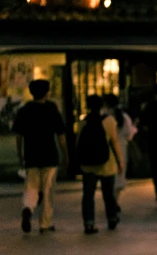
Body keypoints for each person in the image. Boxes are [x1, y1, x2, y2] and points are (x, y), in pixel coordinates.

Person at [12, 79, 68, 234]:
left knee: (31, 187)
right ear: (47, 92)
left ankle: (28, 208)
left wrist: (20, 155)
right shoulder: (51, 109)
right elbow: (61, 135)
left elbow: (18, 136)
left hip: (31, 155)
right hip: (49, 155)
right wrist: (66, 155)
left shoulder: (24, 110)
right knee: (48, 190)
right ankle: (45, 223)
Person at [77, 95, 124, 234]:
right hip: (106, 164)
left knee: (88, 194)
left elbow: (78, 143)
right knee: (108, 194)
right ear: (102, 106)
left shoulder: (83, 122)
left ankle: (89, 223)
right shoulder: (109, 121)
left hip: (88, 165)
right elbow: (114, 142)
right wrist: (120, 161)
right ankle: (112, 218)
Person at [103, 94, 137, 212]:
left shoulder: (104, 117)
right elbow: (129, 133)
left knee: (108, 176)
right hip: (121, 148)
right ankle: (115, 201)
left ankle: (110, 202)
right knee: (119, 176)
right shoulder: (123, 117)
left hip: (106, 148)